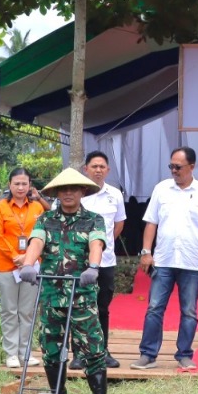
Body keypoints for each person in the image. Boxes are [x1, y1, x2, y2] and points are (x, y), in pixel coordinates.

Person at [20, 168, 109, 394]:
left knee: (93, 351)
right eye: (63, 189)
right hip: (52, 296)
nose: (68, 193)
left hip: (82, 297)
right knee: (51, 351)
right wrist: (28, 264)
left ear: (83, 191)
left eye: (73, 188)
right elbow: (37, 242)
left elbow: (96, 244)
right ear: (57, 193)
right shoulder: (45, 219)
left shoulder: (93, 220)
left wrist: (93, 267)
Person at [134, 146, 198, 370]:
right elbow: (151, 222)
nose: (174, 170)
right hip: (163, 259)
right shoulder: (161, 189)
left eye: (178, 167)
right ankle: (148, 354)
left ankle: (184, 354)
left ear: (192, 167)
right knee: (154, 307)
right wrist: (146, 252)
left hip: (191, 261)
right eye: (171, 166)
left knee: (189, 311)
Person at [0, 168, 48, 369]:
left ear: (30, 185)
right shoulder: (0, 207)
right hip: (6, 267)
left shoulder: (37, 207)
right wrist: (16, 256)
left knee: (27, 311)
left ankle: (26, 353)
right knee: (9, 311)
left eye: (24, 183)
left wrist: (29, 257)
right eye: (17, 183)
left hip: (31, 266)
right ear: (10, 185)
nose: (21, 187)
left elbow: (42, 234)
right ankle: (11, 353)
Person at [79, 151, 126, 370]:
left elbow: (119, 224)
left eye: (102, 166)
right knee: (79, 306)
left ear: (107, 170)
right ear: (86, 169)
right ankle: (79, 353)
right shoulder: (78, 192)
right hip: (79, 261)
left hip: (106, 261)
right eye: (94, 166)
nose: (98, 170)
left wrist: (101, 245)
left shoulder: (114, 194)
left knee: (102, 307)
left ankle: (102, 350)